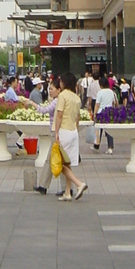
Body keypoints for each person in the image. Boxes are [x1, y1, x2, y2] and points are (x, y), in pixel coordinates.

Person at [53, 72, 87, 201]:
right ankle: (67, 192)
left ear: (64, 82)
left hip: (64, 131)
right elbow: (77, 118)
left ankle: (79, 184)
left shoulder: (63, 96)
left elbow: (60, 115)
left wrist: (56, 132)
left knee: (60, 163)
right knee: (68, 163)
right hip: (73, 132)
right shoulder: (76, 98)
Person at [35, 76, 63, 196]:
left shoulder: (57, 101)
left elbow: (43, 110)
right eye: (49, 89)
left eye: (52, 89)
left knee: (57, 160)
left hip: (56, 132)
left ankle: (68, 187)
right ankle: (43, 185)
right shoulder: (57, 100)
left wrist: (32, 104)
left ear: (58, 90)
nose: (50, 91)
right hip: (56, 132)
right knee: (52, 159)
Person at [93, 75, 117, 153]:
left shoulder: (100, 92)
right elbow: (114, 103)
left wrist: (94, 114)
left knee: (98, 130)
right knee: (109, 130)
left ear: (101, 85)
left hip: (101, 112)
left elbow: (97, 104)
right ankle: (110, 147)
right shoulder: (111, 92)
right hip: (109, 111)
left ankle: (96, 145)